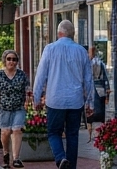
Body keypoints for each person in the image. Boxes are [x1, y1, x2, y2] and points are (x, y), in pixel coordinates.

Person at [32, 20, 94, 169]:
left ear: (59, 33)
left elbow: (41, 75)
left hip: (55, 99)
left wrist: (36, 97)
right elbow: (88, 79)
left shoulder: (49, 49)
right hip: (75, 100)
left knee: (54, 132)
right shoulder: (81, 51)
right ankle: (70, 166)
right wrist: (90, 102)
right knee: (73, 134)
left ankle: (60, 158)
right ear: (73, 35)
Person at [0, 50, 29, 168]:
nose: (11, 61)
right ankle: (6, 153)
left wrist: (28, 99)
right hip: (4, 107)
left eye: (14, 59)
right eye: (9, 59)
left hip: (19, 107)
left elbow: (27, 88)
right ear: (5, 60)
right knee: (5, 132)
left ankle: (16, 159)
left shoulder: (21, 74)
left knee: (17, 130)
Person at [88, 46, 108, 135]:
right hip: (99, 88)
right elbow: (105, 78)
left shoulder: (90, 62)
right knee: (98, 111)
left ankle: (94, 130)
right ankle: (99, 131)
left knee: (93, 111)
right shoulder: (100, 63)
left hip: (94, 88)